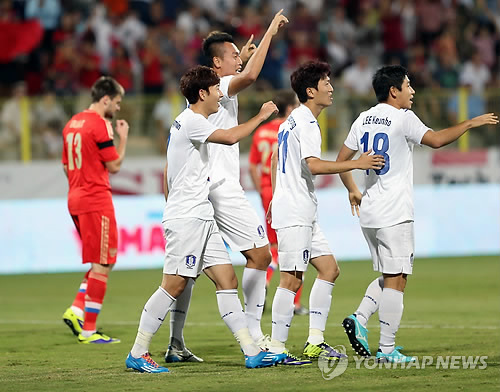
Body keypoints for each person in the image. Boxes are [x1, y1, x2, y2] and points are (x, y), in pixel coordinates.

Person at [125, 65, 286, 373]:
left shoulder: (186, 122)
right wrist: (261, 116)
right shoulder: (192, 121)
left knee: (227, 279)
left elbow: (168, 171)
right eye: (215, 90)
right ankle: (138, 351)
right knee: (173, 284)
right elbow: (229, 137)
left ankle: (252, 352)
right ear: (202, 93)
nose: (219, 95)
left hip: (201, 214)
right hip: (187, 216)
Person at [337, 65, 498, 363]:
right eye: (408, 85)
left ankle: (360, 318)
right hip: (394, 212)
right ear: (393, 90)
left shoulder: (363, 118)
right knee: (398, 280)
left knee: (389, 275)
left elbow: (341, 160)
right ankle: (387, 350)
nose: (412, 91)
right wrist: (470, 123)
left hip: (370, 213)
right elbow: (435, 140)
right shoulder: (402, 117)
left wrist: (351, 188)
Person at [164, 10, 289, 363]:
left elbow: (169, 162)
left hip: (199, 193)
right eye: (233, 54)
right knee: (261, 255)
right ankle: (255, 335)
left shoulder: (197, 104)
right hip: (221, 187)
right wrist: (269, 32)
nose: (240, 58)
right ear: (217, 65)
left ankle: (175, 341)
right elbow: (248, 76)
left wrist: (171, 198)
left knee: (186, 273)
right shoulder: (222, 86)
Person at [267, 61, 385, 365]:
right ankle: (276, 349)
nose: (331, 87)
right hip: (295, 211)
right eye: (326, 82)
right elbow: (314, 166)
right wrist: (357, 164)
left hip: (299, 208)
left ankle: (315, 342)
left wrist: (276, 192)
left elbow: (275, 158)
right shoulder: (306, 122)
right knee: (291, 279)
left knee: (329, 269)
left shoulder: (290, 121)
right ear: (310, 91)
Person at [61, 76, 129, 344]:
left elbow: (66, 166)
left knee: (103, 260)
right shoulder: (100, 124)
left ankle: (77, 309)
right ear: (105, 99)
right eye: (117, 102)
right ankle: (89, 330)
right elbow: (114, 166)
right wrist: (123, 138)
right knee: (102, 263)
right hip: (95, 199)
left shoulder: (71, 124)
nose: (118, 108)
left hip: (75, 198)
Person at [248, 89, 307, 315]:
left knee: (275, 245)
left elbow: (253, 165)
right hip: (287, 190)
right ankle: (293, 302)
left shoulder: (262, 132)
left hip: (266, 191)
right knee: (293, 245)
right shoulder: (293, 129)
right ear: (291, 108)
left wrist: (262, 189)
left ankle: (266, 282)